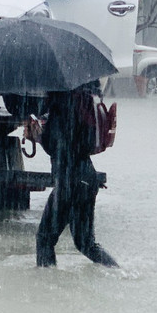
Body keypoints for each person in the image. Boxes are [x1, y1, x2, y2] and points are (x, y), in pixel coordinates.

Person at [36, 85, 118, 268]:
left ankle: (45, 287)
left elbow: (59, 148)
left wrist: (38, 137)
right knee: (86, 244)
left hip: (69, 181)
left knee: (44, 239)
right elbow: (78, 144)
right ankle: (117, 272)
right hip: (87, 179)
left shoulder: (60, 109)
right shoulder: (82, 101)